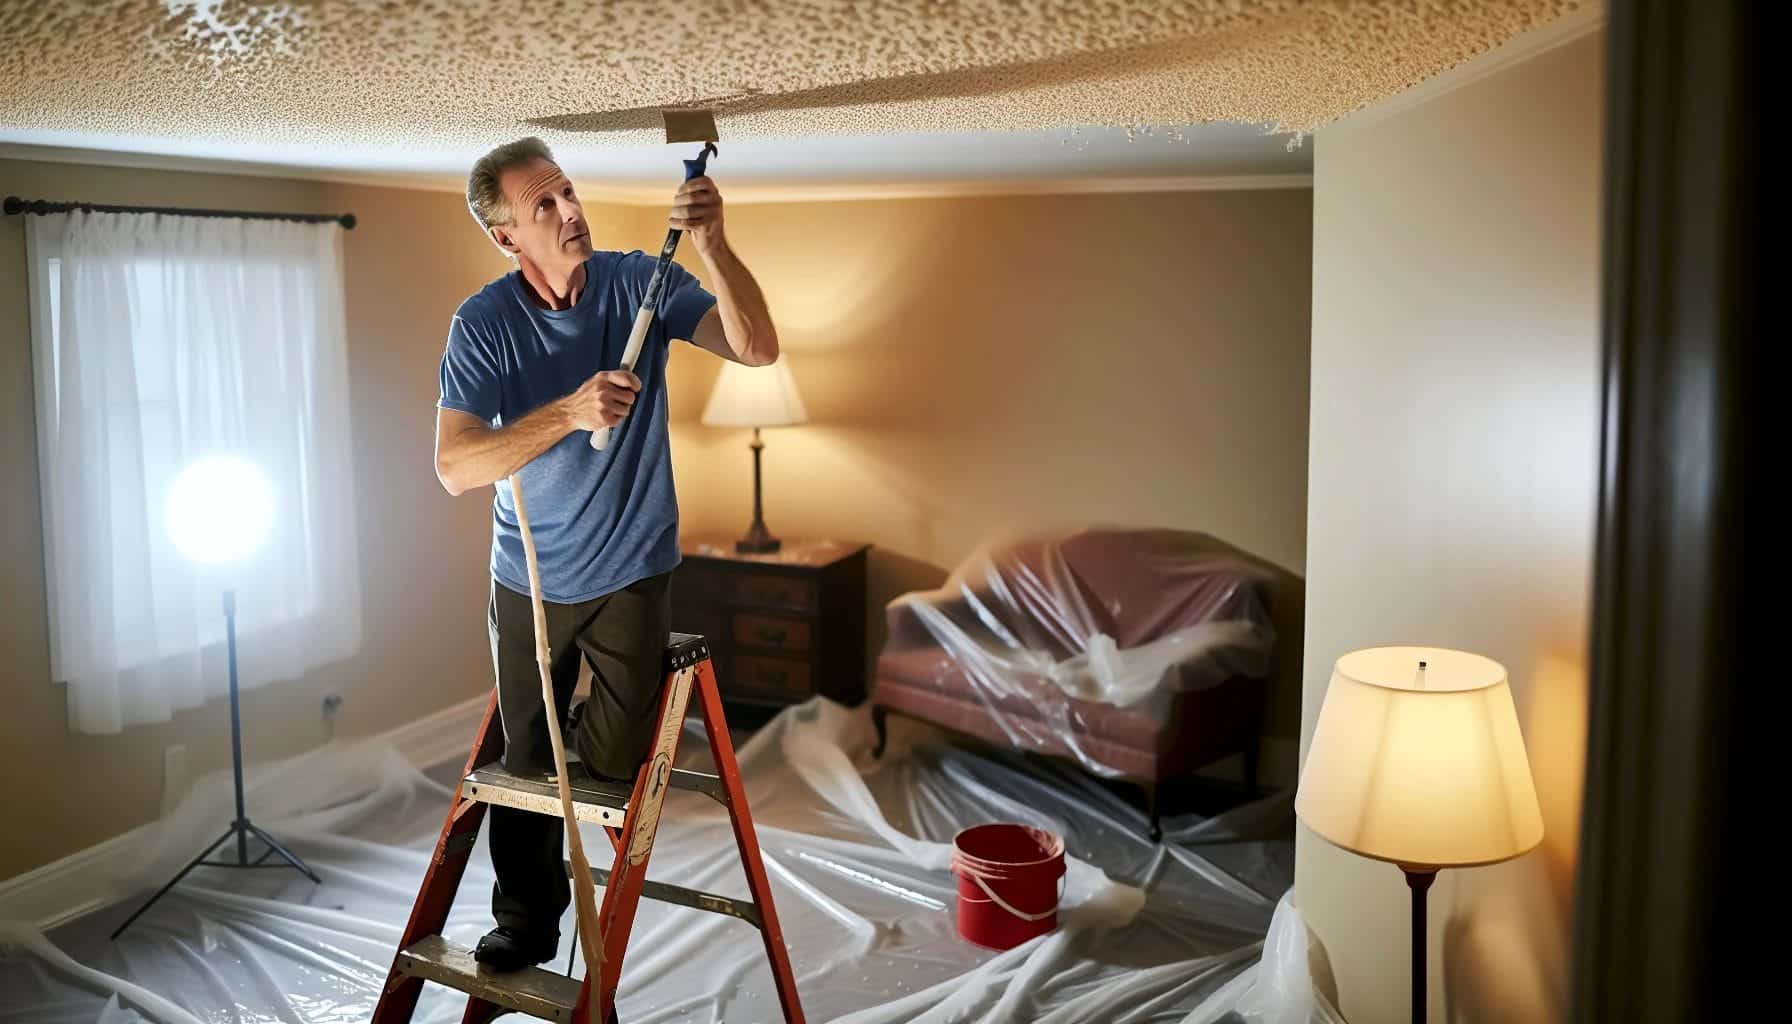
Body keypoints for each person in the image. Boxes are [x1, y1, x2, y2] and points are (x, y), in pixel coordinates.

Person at [433, 136, 779, 971]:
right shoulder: (483, 326)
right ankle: (526, 917)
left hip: (633, 567)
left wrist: (715, 246)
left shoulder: (637, 283)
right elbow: (455, 467)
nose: (569, 212)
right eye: (542, 206)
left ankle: (579, 753)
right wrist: (568, 412)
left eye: (568, 193)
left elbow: (757, 348)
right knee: (526, 765)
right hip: (531, 577)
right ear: (506, 236)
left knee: (615, 766)